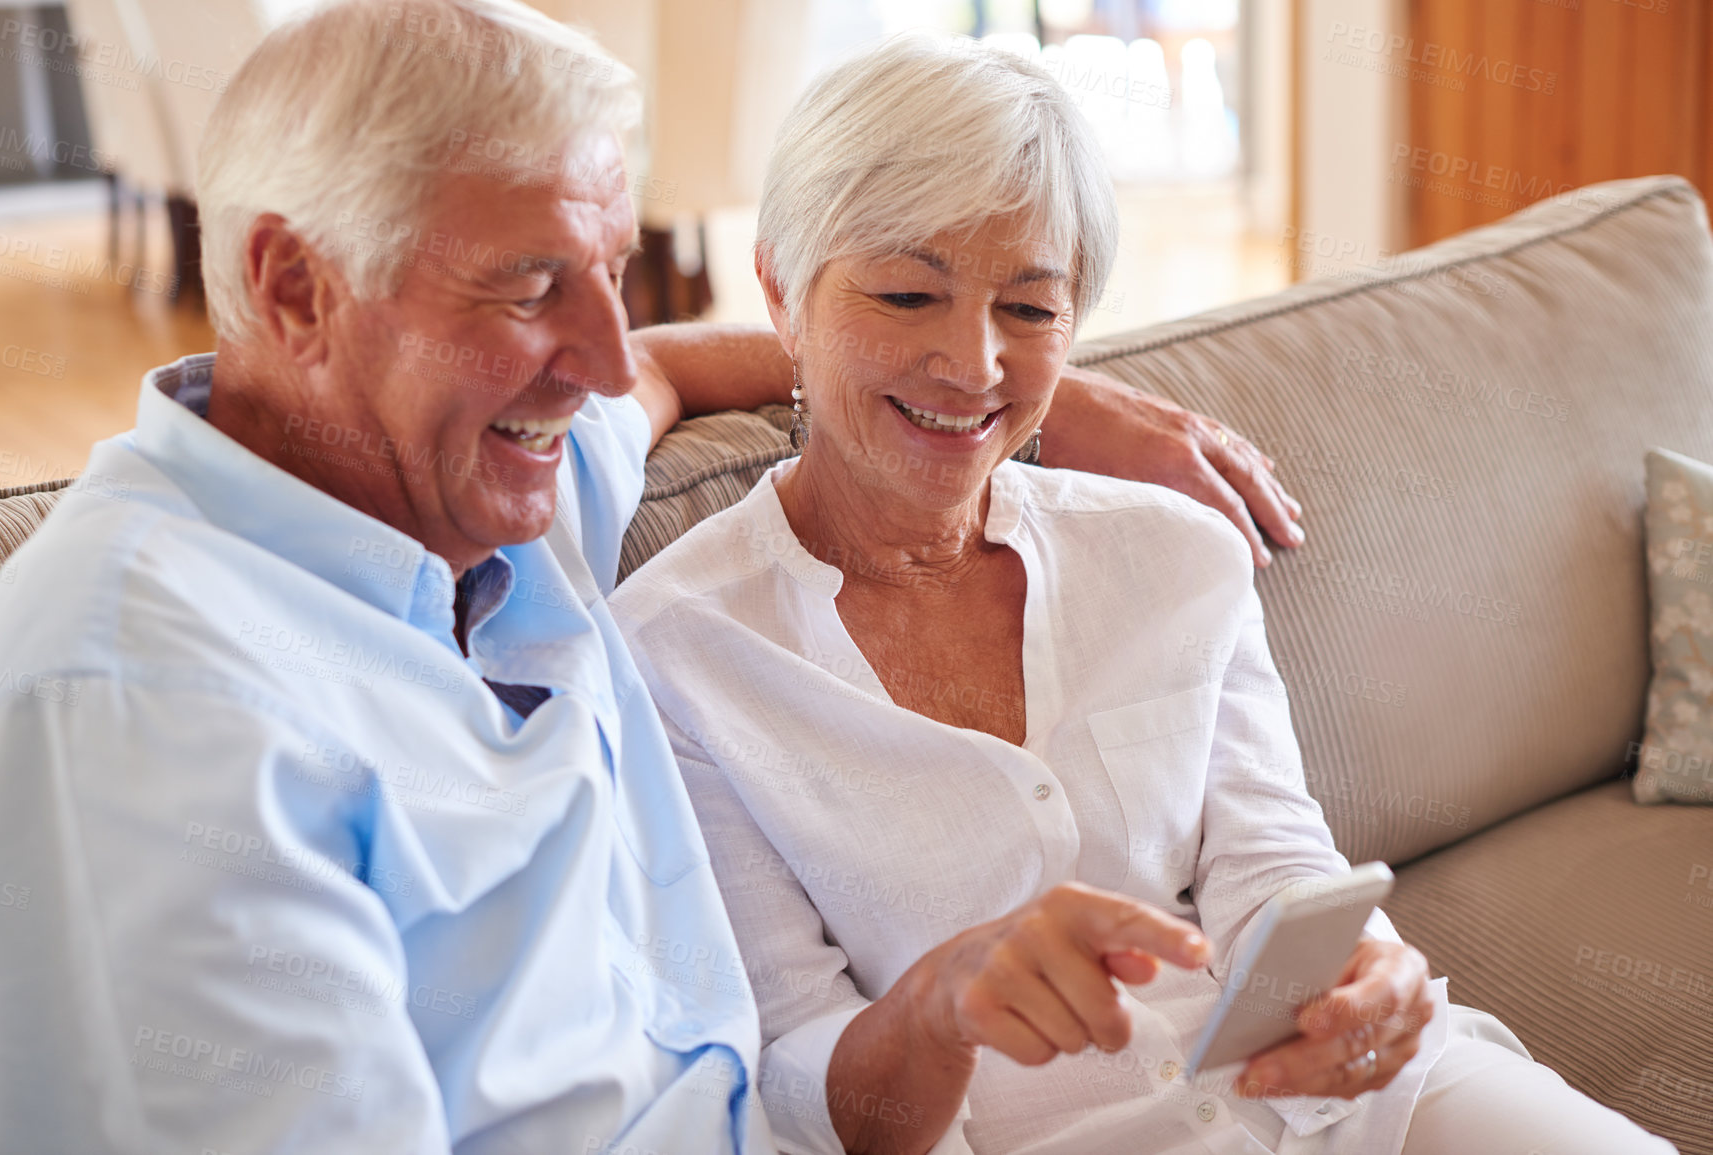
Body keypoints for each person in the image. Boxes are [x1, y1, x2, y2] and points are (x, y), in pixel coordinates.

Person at [0, 2, 1297, 1152]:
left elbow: (664, 366)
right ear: (293, 286)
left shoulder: (487, 487)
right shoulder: (142, 703)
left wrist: (1009, 394)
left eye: (606, 274)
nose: (602, 360)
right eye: (531, 287)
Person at [609, 34, 1681, 1155]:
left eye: (1029, 311)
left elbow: (1274, 866)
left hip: (1339, 1109)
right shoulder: (676, 652)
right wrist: (942, 1004)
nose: (974, 364)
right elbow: (789, 1082)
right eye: (908, 293)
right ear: (782, 290)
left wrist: (1370, 972)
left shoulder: (1178, 555)